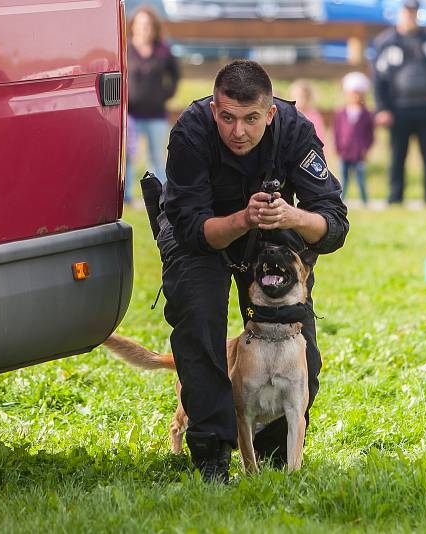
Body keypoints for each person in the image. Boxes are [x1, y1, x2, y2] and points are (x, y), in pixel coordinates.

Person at [157, 60, 348, 482]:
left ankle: (272, 450)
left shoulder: (295, 131)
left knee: (299, 348)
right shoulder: (190, 131)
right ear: (214, 110)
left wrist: (293, 217)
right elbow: (191, 230)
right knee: (199, 320)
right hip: (200, 235)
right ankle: (212, 452)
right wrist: (243, 219)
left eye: (250, 119)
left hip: (268, 231)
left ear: (271, 113)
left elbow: (333, 225)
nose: (237, 131)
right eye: (226, 117)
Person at [372, 0, 426, 205]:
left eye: (414, 12)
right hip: (398, 110)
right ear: (399, 13)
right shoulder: (386, 42)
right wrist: (382, 108)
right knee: (397, 157)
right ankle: (395, 198)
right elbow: (378, 78)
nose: (410, 16)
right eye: (407, 11)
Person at [126, 5, 180, 206]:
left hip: (156, 114)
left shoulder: (163, 50)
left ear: (154, 27)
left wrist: (165, 94)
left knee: (156, 157)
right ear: (133, 27)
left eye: (147, 25)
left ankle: (163, 199)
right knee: (128, 156)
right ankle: (127, 197)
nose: (144, 29)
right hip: (131, 114)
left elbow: (175, 75)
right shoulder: (127, 49)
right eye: (140, 25)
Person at [334, 72, 375, 206]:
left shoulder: (367, 114)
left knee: (360, 179)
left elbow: (370, 135)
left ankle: (365, 201)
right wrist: (338, 148)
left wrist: (366, 149)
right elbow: (337, 132)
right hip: (344, 152)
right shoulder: (341, 113)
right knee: (343, 180)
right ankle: (339, 202)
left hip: (359, 154)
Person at [289, 79, 327, 144]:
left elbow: (319, 137)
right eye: (296, 96)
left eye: (301, 96)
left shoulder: (315, 116)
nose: (298, 99)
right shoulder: (289, 114)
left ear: (308, 97)